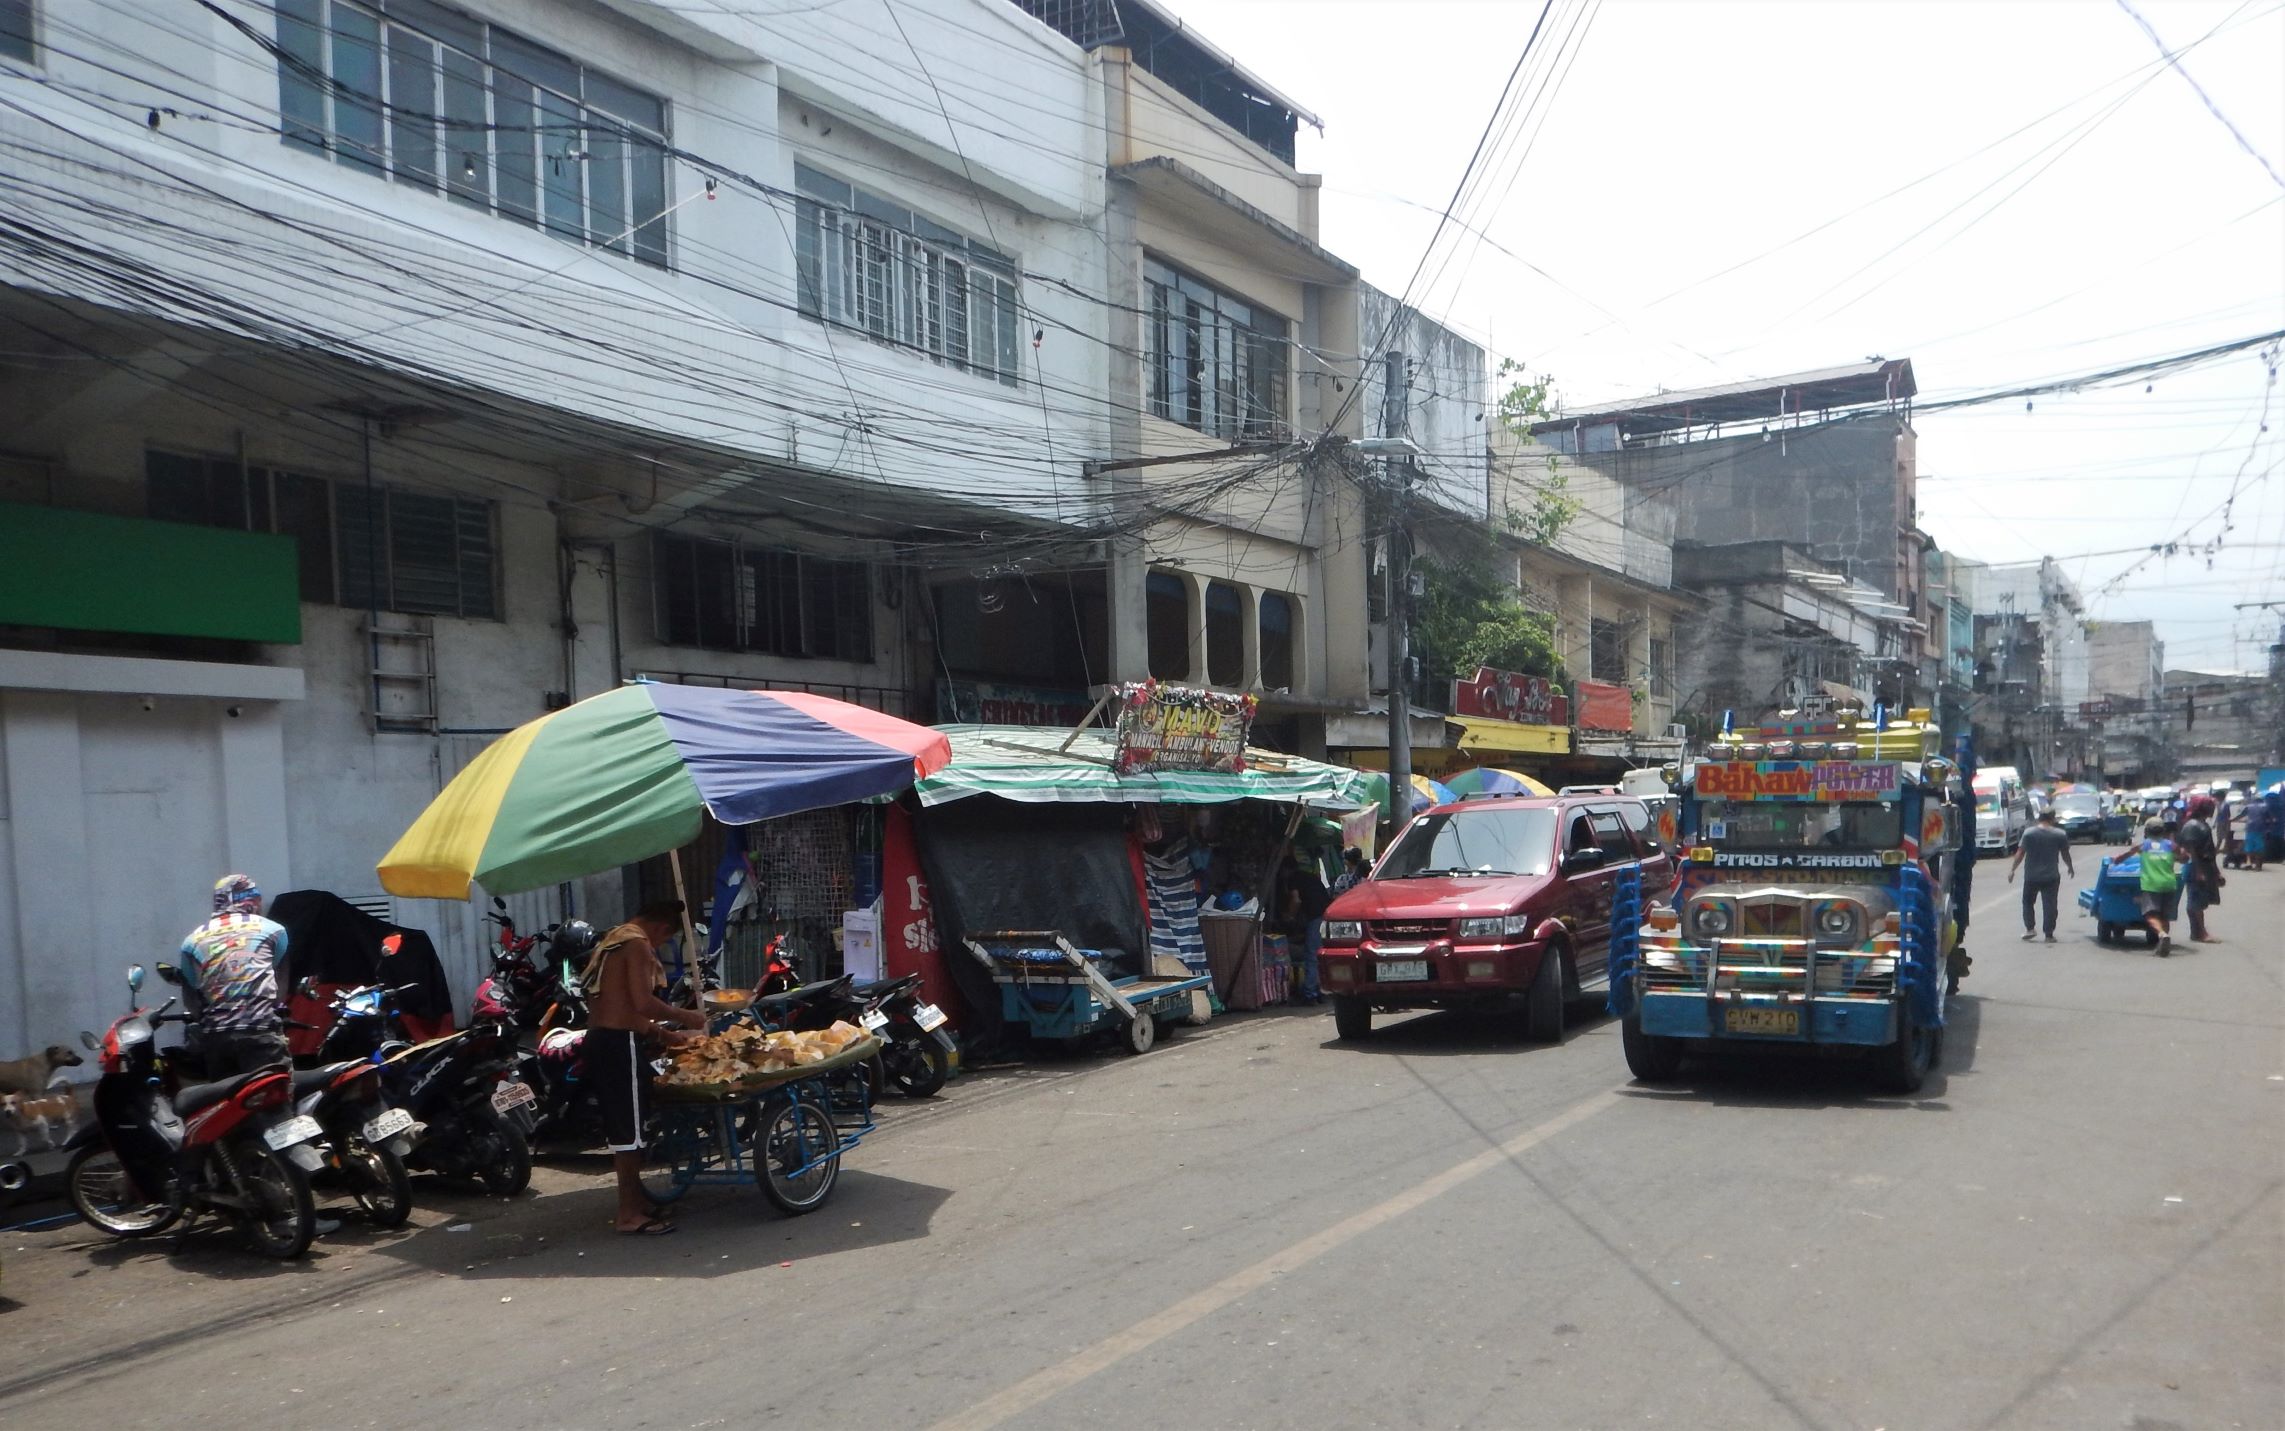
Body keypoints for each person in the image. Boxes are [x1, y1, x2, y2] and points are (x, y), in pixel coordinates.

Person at [584, 902, 708, 1235]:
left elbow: (624, 1008)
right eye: (664, 942)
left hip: (604, 1039)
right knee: (629, 1134)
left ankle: (636, 1203)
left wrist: (667, 1034)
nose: (659, 948)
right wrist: (689, 1017)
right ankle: (628, 1215)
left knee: (630, 1128)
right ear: (662, 930)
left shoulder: (613, 939)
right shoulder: (637, 943)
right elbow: (642, 1003)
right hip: (616, 1044)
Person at [179, 874, 292, 1076]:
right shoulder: (274, 931)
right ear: (253, 900)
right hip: (260, 1031)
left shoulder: (192, 940)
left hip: (217, 1038)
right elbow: (279, 990)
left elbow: (192, 998)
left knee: (224, 1102)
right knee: (275, 1098)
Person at [2007, 810, 2075, 943]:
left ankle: (2030, 928)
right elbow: (2065, 854)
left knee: (2027, 902)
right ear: (2052, 818)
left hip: (2031, 876)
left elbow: (2020, 853)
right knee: (2050, 905)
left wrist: (2012, 870)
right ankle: (2049, 934)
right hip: (2051, 876)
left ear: (2039, 818)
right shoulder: (2059, 834)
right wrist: (2070, 867)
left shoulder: (2029, 833)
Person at [1282, 849, 1332, 1005]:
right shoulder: (1310, 876)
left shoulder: (1293, 879)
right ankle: (1321, 991)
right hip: (1328, 915)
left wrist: (1289, 917)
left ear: (1285, 870)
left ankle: (1310, 993)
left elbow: (1296, 901)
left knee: (1312, 955)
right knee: (1322, 956)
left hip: (1317, 917)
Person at [2177, 795, 2224, 943]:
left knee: (2200, 901)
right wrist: (2198, 871)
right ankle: (2201, 933)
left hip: (2204, 866)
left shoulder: (2202, 824)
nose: (2213, 809)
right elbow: (2191, 851)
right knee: (2196, 901)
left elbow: (2209, 852)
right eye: (2210, 806)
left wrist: (2216, 872)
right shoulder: (2192, 825)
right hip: (2195, 866)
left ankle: (2196, 932)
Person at [2134, 820, 2181, 957]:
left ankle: (2162, 934)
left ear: (2146, 831)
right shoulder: (2171, 845)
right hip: (2169, 884)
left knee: (2150, 914)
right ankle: (2162, 942)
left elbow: (2128, 856)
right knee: (2164, 916)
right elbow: (2184, 857)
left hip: (2151, 884)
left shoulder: (2143, 845)